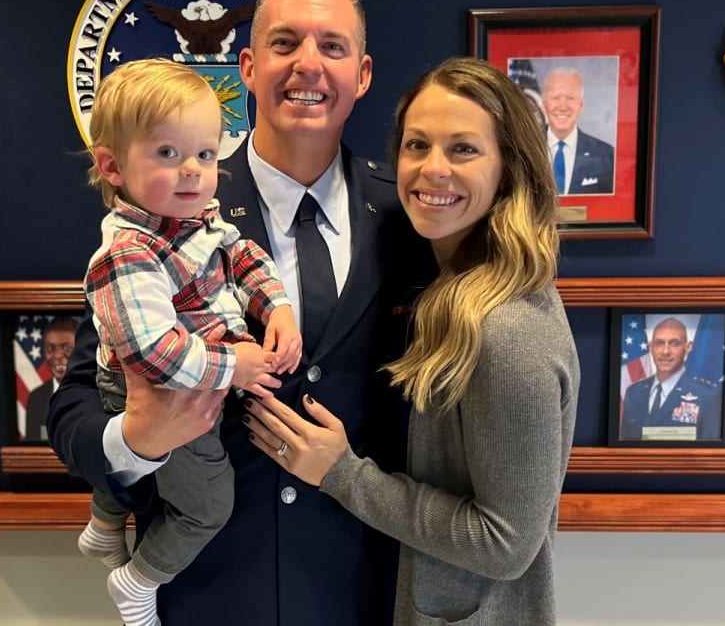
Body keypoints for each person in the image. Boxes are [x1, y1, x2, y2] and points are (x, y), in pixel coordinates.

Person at [50, 0, 434, 626]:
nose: (307, 65)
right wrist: (132, 441)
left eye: (332, 46)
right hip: (210, 590)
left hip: (367, 589)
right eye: (285, 44)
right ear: (249, 68)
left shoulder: (413, 215)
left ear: (362, 74)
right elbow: (75, 405)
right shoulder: (165, 202)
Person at [244, 58, 580, 626]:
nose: (434, 170)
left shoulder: (506, 329)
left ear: (509, 169)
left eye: (464, 149)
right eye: (417, 145)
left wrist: (343, 475)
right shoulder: (451, 288)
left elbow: (505, 543)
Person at [71, 58, 304, 626]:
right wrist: (236, 366)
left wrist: (277, 307)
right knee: (207, 504)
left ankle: (103, 527)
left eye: (204, 154)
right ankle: (137, 580)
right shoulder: (127, 253)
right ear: (112, 167)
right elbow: (154, 355)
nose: (193, 173)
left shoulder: (197, 221)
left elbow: (241, 255)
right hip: (170, 391)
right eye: (167, 154)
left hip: (195, 381)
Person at [620, 318, 722, 441]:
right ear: (651, 347)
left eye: (674, 343)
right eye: (659, 343)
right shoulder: (633, 393)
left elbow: (710, 452)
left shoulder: (707, 395)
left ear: (688, 347)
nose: (665, 351)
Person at [542, 67, 614, 195]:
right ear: (544, 104)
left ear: (581, 105)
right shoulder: (524, 148)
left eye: (571, 98)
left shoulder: (605, 155)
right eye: (556, 98)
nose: (563, 107)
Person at [23, 315, 78, 441]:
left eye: (67, 348)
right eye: (50, 348)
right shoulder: (36, 398)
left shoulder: (97, 392)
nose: (57, 355)